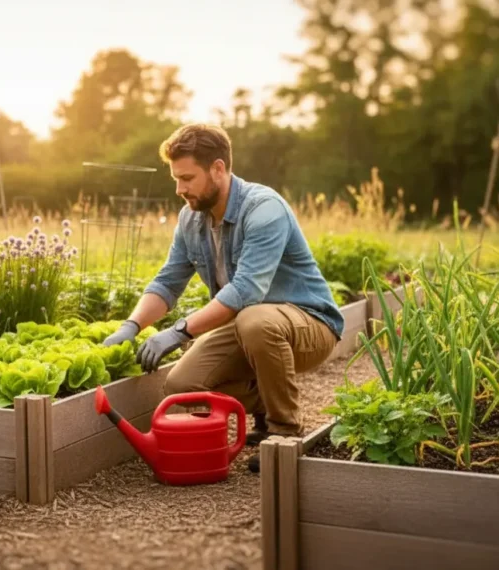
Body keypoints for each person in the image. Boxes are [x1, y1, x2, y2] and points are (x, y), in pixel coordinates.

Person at [102, 123, 344, 473]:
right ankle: (266, 402)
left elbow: (245, 291)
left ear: (218, 168)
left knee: (254, 319)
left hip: (309, 325)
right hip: (253, 328)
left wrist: (180, 331)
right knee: (181, 385)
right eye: (176, 179)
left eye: (187, 178)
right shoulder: (191, 219)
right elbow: (168, 282)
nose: (179, 189)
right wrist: (132, 324)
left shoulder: (263, 209)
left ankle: (284, 431)